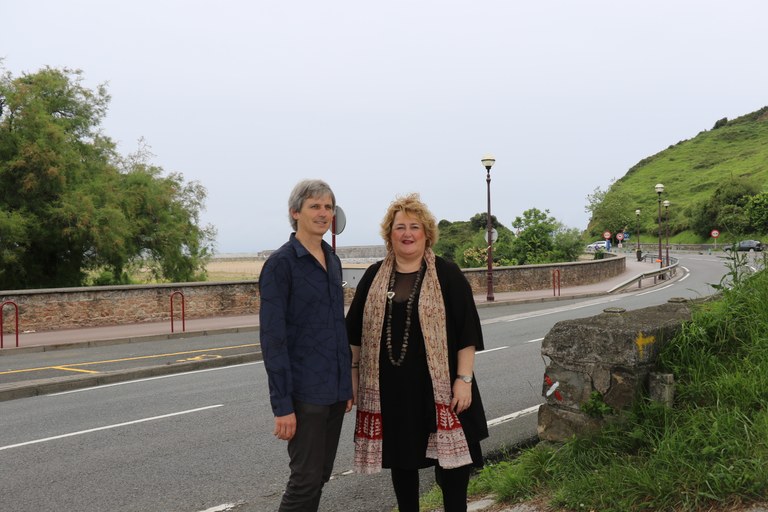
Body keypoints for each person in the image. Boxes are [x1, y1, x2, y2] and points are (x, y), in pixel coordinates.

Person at [346, 193, 488, 512]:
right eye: (400, 227)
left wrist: (464, 380)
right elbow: (354, 333)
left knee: (453, 469)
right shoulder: (373, 276)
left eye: (414, 227)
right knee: (402, 465)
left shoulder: (448, 274)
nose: (407, 233)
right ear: (390, 234)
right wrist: (352, 376)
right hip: (394, 394)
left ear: (426, 233)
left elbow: (467, 333)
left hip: (443, 390)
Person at [259, 179, 353, 512]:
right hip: (304, 394)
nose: (323, 213)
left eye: (328, 207)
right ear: (295, 212)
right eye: (315, 206)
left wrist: (346, 385)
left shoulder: (332, 260)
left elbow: (336, 327)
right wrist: (282, 406)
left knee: (320, 476)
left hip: (334, 391)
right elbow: (273, 340)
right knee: (304, 480)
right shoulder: (281, 264)